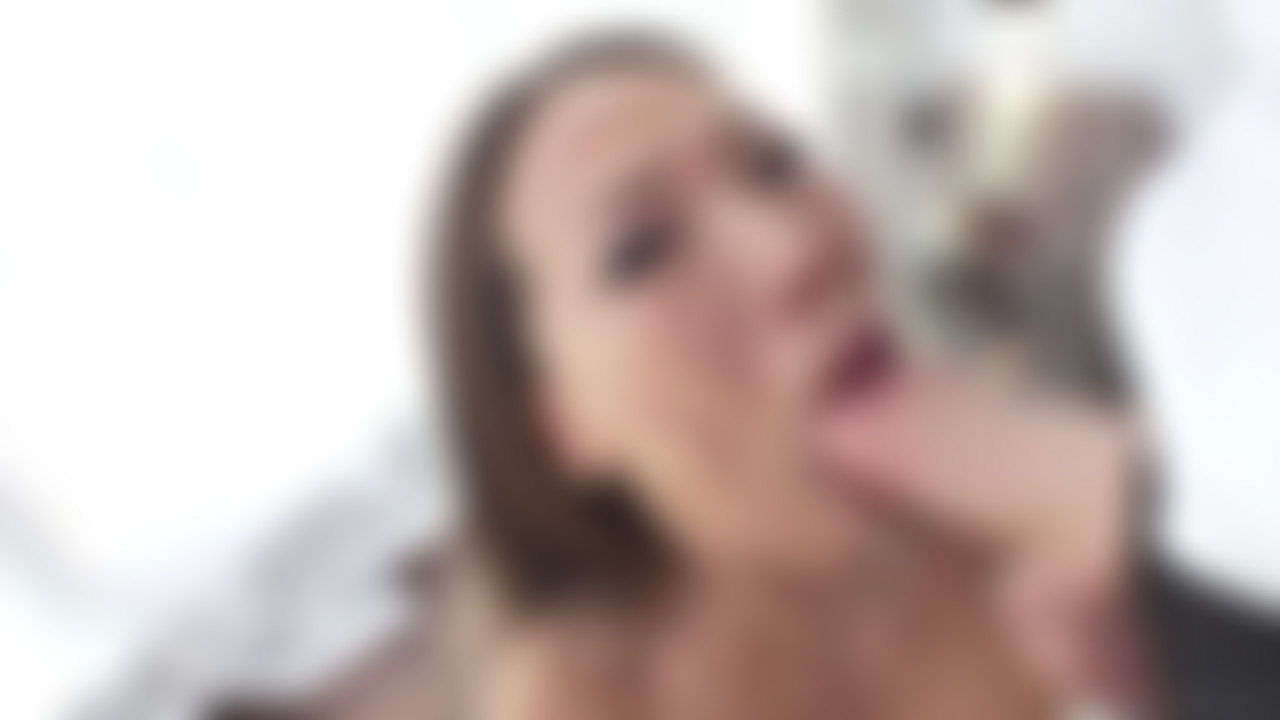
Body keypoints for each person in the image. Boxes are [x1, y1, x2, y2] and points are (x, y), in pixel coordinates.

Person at [413, 35, 1126, 720]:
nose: (793, 248)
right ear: (563, 430)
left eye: (776, 162)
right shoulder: (585, 700)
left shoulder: (1024, 506)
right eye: (641, 249)